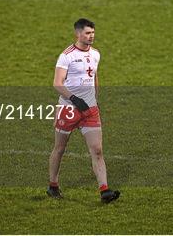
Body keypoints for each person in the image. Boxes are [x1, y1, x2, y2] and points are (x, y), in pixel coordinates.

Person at [47, 18, 120, 203]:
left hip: (89, 110)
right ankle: (53, 185)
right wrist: (74, 99)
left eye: (93, 33)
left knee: (97, 150)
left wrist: (94, 100)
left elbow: (95, 77)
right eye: (88, 33)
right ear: (78, 34)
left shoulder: (96, 54)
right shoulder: (67, 56)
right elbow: (57, 83)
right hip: (68, 109)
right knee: (60, 148)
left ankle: (105, 190)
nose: (91, 36)